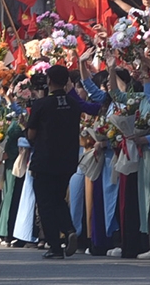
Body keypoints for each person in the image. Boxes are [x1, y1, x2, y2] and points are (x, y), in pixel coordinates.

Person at [26, 64, 101, 259]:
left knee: (45, 203)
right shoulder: (72, 103)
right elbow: (91, 109)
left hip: (44, 160)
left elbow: (31, 133)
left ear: (49, 81)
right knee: (59, 198)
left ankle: (55, 246)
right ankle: (69, 230)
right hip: (67, 159)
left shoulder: (41, 105)